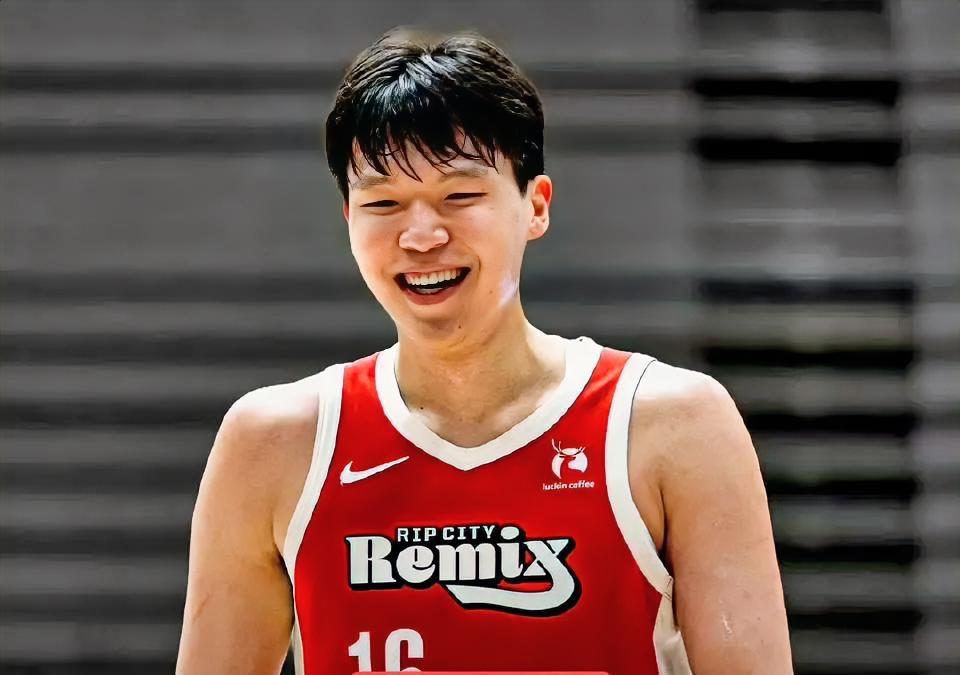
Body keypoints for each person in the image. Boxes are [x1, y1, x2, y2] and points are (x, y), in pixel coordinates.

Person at [176, 27, 793, 675]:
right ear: (349, 219)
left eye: (460, 196)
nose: (421, 235)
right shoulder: (273, 443)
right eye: (384, 202)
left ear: (536, 206)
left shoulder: (672, 423)